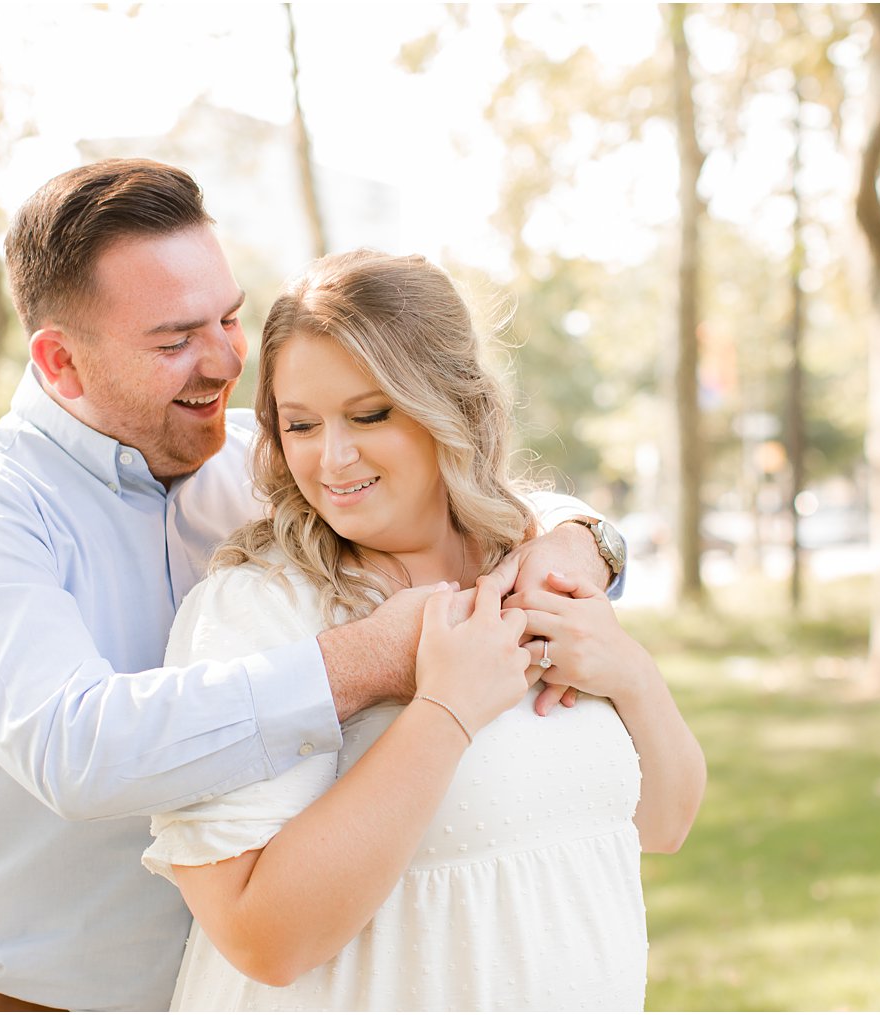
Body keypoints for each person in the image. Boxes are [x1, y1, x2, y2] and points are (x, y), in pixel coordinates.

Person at [0, 159, 622, 1012]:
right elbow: (80, 750)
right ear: (60, 361)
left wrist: (585, 539)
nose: (227, 360)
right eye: (175, 339)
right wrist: (371, 658)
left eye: (229, 316)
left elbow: (447, 481)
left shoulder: (251, 465)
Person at [143, 249, 706, 1011]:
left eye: (370, 414)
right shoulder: (258, 609)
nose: (332, 459)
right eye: (301, 424)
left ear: (453, 401)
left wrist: (629, 672)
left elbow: (661, 824)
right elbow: (259, 939)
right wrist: (444, 713)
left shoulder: (540, 561)